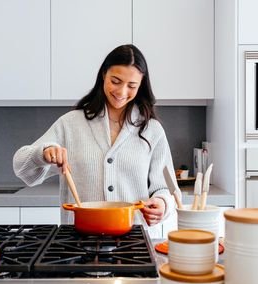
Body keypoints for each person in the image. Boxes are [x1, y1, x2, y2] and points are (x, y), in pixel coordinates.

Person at [13, 44, 179, 227]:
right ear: (103, 75)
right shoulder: (71, 124)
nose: (122, 92)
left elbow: (166, 188)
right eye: (115, 81)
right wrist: (43, 154)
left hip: (136, 243)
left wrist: (162, 204)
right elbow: (21, 167)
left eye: (132, 86)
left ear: (141, 85)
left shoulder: (152, 130)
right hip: (79, 242)